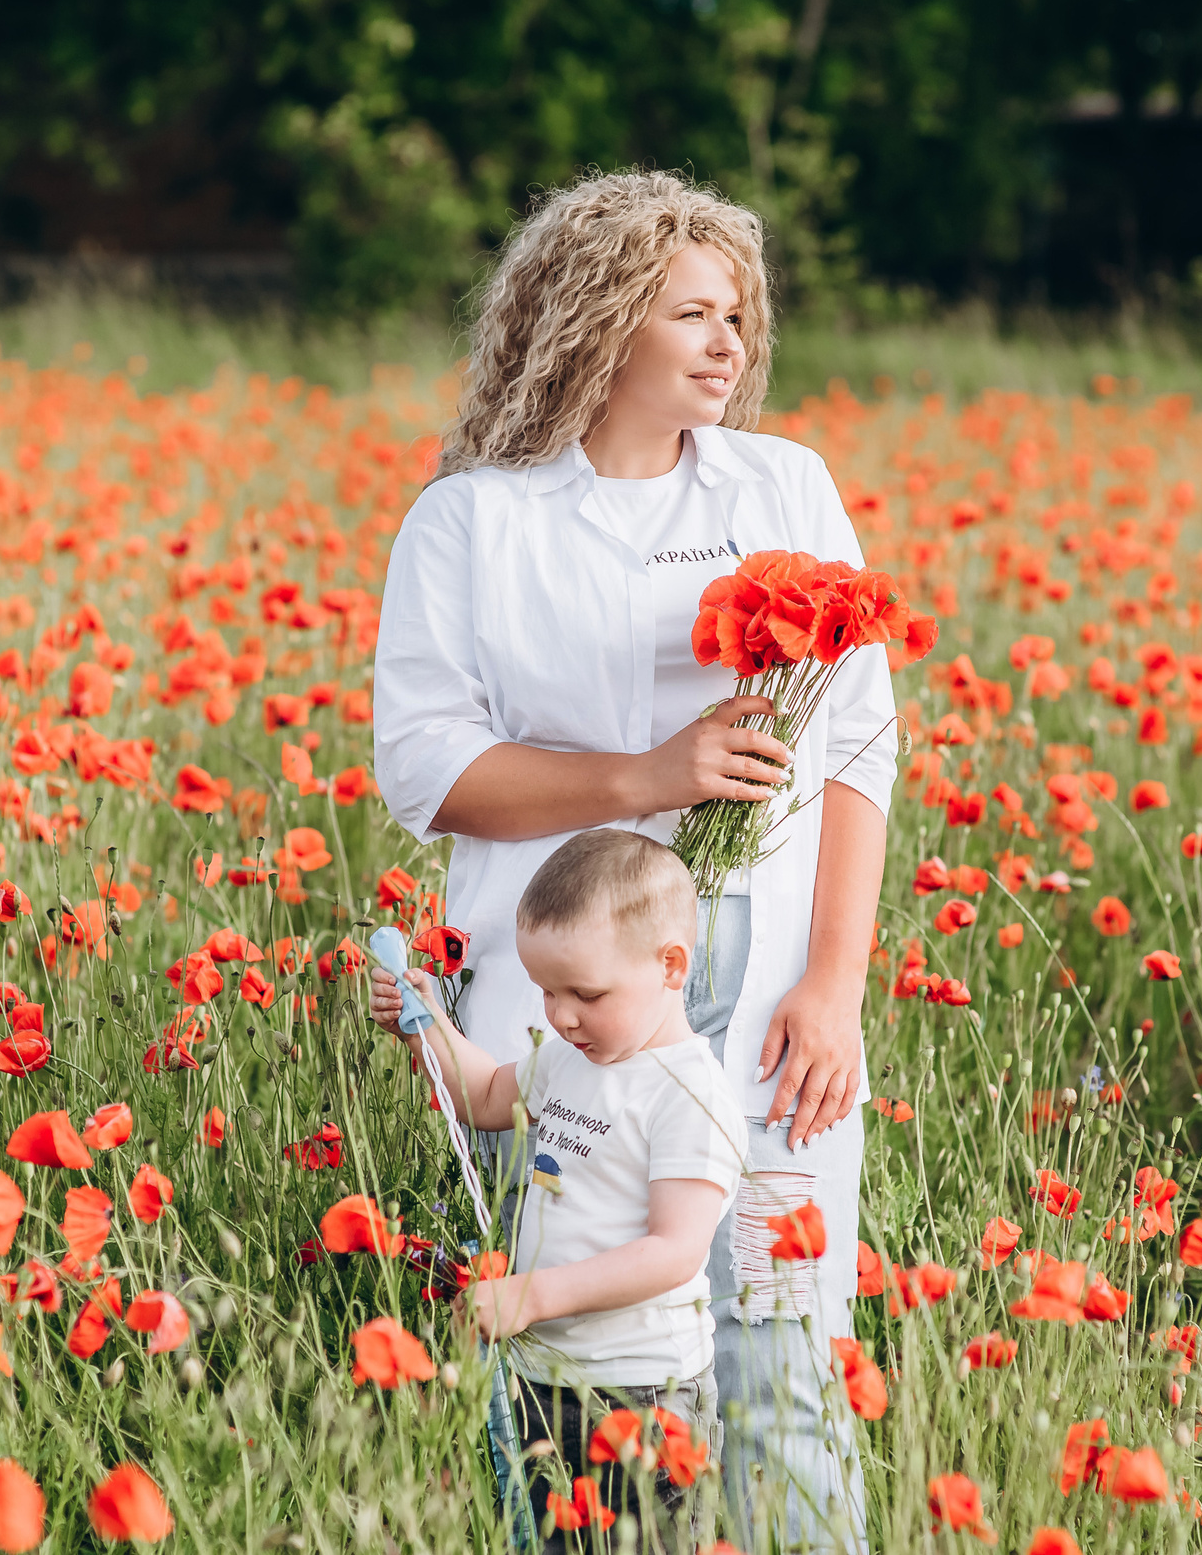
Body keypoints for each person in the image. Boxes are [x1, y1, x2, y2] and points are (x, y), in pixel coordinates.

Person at [374, 169, 895, 1550]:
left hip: (774, 1023)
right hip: (563, 1034)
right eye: (694, 314)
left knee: (781, 1371)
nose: (733, 344)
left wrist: (834, 984)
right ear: (602, 323)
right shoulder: (473, 522)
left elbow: (857, 752)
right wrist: (646, 778)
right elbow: (426, 771)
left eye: (739, 314)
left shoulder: (786, 486)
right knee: (582, 1390)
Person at [370, 828, 742, 1552]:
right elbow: (481, 1094)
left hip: (643, 1393)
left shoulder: (688, 1096)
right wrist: (429, 1027)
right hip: (543, 1378)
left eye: (586, 992)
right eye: (546, 990)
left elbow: (673, 1249)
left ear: (672, 966)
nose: (561, 1014)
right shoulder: (566, 1061)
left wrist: (533, 1294)